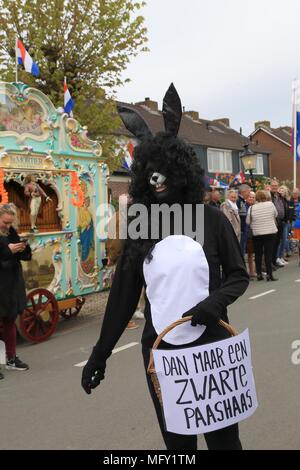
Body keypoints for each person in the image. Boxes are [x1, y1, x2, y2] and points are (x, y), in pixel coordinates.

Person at [81, 84, 249, 450]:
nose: (156, 179)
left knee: (225, 442)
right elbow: (123, 298)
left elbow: (238, 275)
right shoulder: (141, 228)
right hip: (161, 354)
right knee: (178, 445)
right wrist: (100, 354)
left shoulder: (211, 220)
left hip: (211, 346)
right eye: (149, 172)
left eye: (163, 170)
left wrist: (214, 304)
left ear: (181, 170)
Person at [0, 203, 31, 379]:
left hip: (11, 285)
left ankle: (11, 359)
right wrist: (7, 250)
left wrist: (22, 248)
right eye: (5, 222)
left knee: (10, 320)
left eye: (11, 223)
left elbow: (23, 256)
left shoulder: (10, 232)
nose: (8, 226)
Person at [246, 190, 278, 281]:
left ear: (256, 198)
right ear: (265, 197)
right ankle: (269, 274)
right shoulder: (270, 204)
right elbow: (276, 214)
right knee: (268, 254)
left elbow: (248, 221)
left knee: (258, 254)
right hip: (270, 232)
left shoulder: (251, 208)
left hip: (257, 233)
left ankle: (259, 274)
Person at [237, 184, 251, 256]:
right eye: (248, 192)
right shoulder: (238, 201)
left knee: (243, 250)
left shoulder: (242, 201)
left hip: (243, 229)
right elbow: (239, 216)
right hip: (241, 230)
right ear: (243, 191)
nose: (249, 194)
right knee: (241, 251)